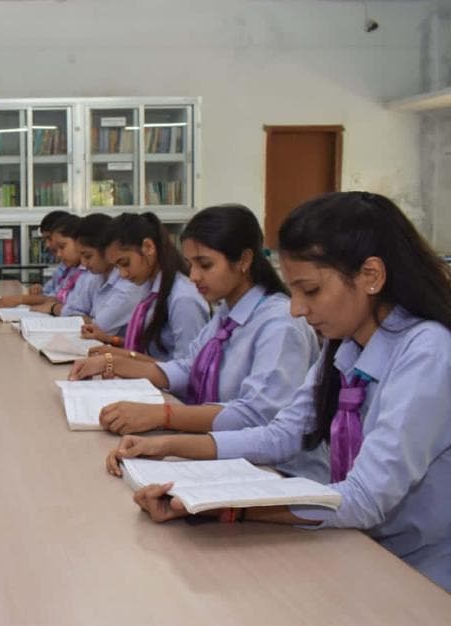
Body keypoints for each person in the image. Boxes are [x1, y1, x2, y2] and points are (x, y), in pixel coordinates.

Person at [107, 192, 451, 592]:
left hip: (417, 573)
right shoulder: (348, 341)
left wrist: (224, 509)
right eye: (294, 290)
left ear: (371, 276)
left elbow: (365, 497)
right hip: (350, 542)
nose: (296, 309)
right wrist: (166, 446)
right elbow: (281, 433)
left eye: (311, 291)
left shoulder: (427, 352)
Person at [69, 205, 323, 480]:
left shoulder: (280, 325)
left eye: (205, 265)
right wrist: (113, 363)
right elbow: (188, 367)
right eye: (191, 265)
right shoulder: (228, 311)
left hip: (279, 472)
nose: (194, 276)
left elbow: (255, 417)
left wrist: (161, 415)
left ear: (244, 260)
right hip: (229, 451)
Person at [94, 211, 209, 359]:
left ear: (148, 247)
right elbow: (153, 350)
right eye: (117, 267)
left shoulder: (183, 299)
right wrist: (111, 341)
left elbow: (188, 368)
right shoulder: (148, 287)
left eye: (125, 263)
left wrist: (123, 361)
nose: (123, 274)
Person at [0, 215, 86, 309]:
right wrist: (39, 290)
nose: (58, 254)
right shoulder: (69, 268)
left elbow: (62, 301)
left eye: (62, 246)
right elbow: (53, 294)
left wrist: (21, 299)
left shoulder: (88, 274)